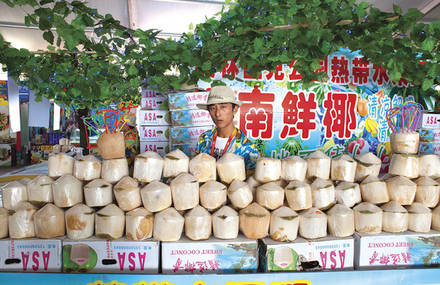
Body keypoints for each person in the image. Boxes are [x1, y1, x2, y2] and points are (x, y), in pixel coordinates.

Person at [195, 86, 260, 171]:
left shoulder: (248, 149)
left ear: (235, 109)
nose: (217, 114)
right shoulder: (204, 139)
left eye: (223, 107)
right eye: (212, 108)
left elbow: (251, 182)